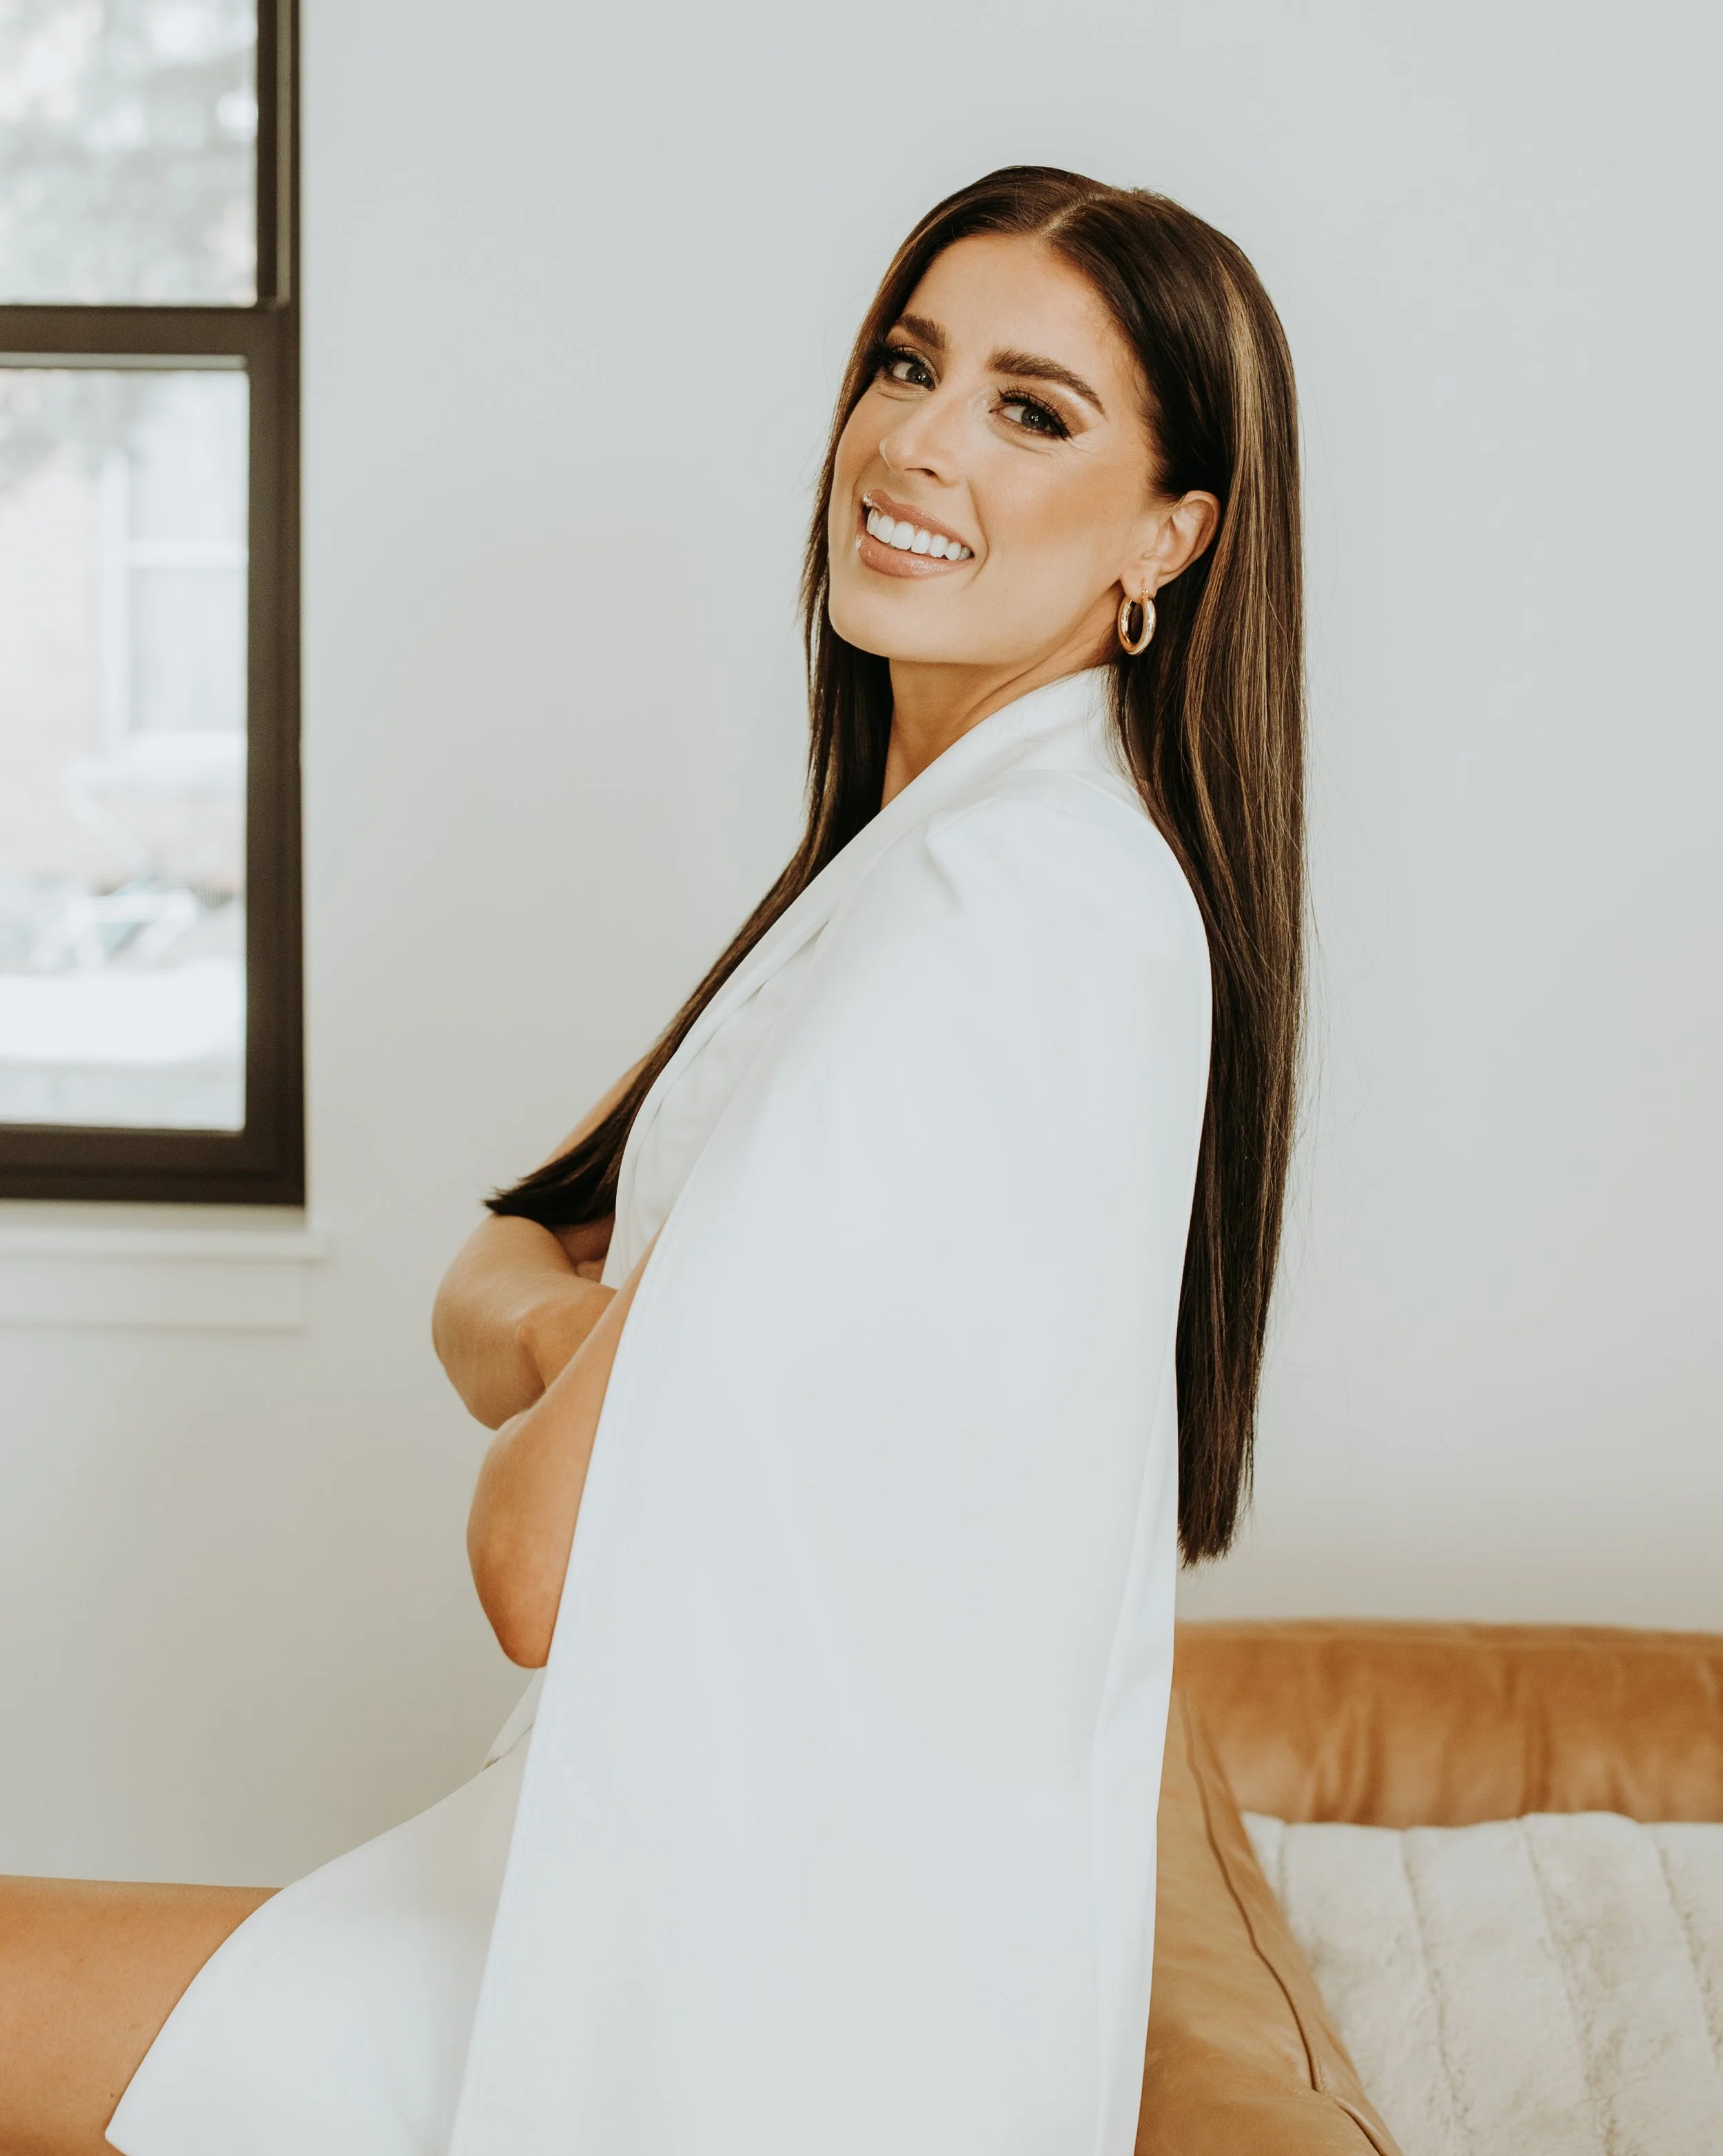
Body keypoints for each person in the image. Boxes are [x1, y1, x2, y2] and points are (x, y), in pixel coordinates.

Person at [1, 165, 1303, 2156]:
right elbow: (498, 1263)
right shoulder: (929, 870)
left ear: (1169, 536)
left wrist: (582, 1347)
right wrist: (609, 1336)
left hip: (735, 2003)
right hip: (688, 1920)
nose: (917, 441)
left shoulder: (1010, 909)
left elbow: (532, 1555)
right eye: (908, 362)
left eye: (1033, 412)